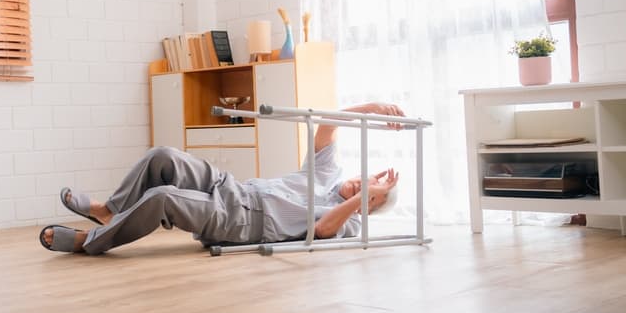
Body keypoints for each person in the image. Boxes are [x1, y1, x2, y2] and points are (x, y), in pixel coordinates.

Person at [40, 102, 404, 254]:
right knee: (162, 157)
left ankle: (90, 241)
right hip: (233, 187)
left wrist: (363, 200)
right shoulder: (327, 172)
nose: (363, 186)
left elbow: (322, 230)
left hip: (243, 221)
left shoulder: (348, 224)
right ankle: (109, 210)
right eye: (367, 180)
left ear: (366, 209)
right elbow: (326, 124)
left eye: (371, 195)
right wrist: (371, 107)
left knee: (162, 197)